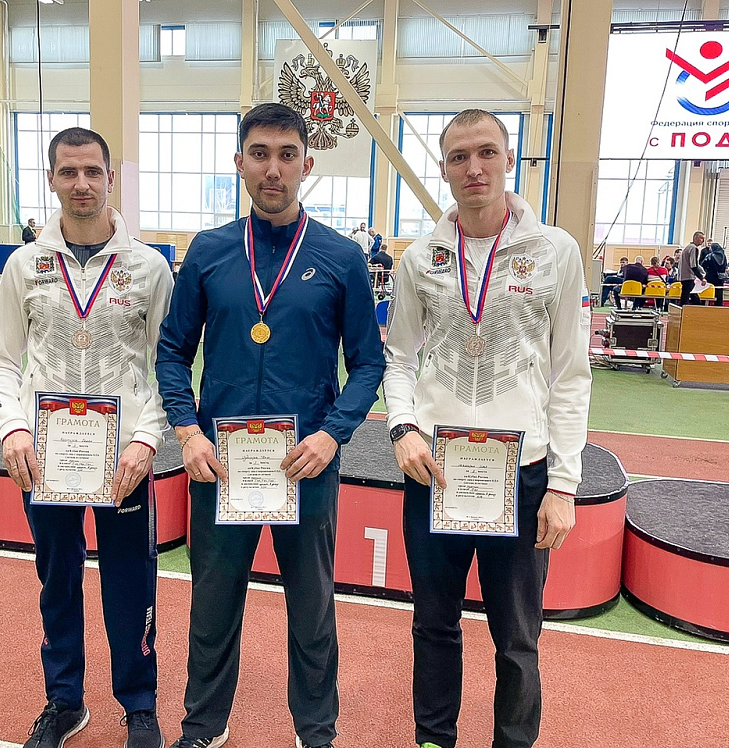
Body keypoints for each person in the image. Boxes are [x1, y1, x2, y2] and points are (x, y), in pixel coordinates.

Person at [156, 103, 385, 748]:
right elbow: (172, 352)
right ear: (239, 163)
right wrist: (188, 432)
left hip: (305, 465)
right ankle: (203, 726)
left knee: (312, 608)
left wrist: (333, 433)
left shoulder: (341, 257)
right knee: (212, 604)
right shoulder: (208, 252)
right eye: (260, 154)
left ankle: (316, 731)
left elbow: (368, 362)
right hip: (219, 465)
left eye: (287, 155)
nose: (273, 169)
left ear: (307, 164)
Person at [382, 109, 591, 748]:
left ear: (508, 159)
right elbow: (399, 358)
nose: (474, 168)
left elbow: (571, 376)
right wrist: (402, 427)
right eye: (458, 157)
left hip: (522, 477)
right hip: (436, 472)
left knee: (518, 636)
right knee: (434, 625)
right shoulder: (421, 259)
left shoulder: (556, 252)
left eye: (487, 152)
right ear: (444, 170)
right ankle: (433, 739)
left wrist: (563, 485)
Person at [0, 128, 175, 748]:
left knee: (130, 581)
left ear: (110, 178)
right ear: (51, 179)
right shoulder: (24, 266)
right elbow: (1, 358)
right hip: (45, 459)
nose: (82, 184)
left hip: (124, 461)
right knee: (58, 580)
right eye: (69, 172)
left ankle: (138, 705)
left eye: (93, 171)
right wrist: (13, 428)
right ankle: (64, 702)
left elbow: (166, 367)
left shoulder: (148, 268)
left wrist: (146, 441)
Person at [678, 231, 705, 306]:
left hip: (683, 276)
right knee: (687, 297)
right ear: (695, 238)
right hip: (688, 276)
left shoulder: (687, 247)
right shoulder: (694, 248)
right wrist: (701, 278)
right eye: (701, 238)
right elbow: (694, 265)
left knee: (688, 295)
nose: (703, 240)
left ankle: (695, 307)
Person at [701, 242, 728, 307]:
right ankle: (718, 306)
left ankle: (705, 305)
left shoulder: (710, 256)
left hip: (710, 276)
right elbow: (725, 266)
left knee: (708, 291)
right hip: (720, 277)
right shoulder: (723, 256)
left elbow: (703, 265)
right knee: (719, 293)